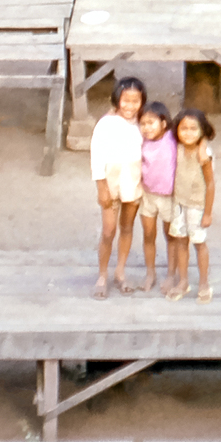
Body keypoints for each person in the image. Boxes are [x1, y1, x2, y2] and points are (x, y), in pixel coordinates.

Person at [89, 77, 145, 299]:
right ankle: (102, 275)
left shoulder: (143, 122)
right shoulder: (106, 123)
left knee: (127, 228)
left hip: (134, 182)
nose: (130, 106)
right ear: (117, 99)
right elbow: (97, 157)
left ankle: (120, 272)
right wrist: (101, 187)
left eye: (135, 101)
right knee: (108, 231)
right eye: (126, 100)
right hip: (111, 183)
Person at [167, 109, 216, 303]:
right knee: (180, 241)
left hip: (197, 205)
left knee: (199, 243)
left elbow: (211, 183)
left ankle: (204, 283)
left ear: (202, 131)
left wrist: (208, 213)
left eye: (193, 129)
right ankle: (183, 281)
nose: (188, 133)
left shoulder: (204, 154)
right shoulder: (176, 147)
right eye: (183, 128)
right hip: (179, 203)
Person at [138, 101, 178, 294]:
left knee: (171, 237)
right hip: (147, 195)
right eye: (143, 123)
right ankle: (150, 273)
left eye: (151, 123)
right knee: (148, 235)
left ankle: (171, 274)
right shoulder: (142, 141)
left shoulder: (172, 139)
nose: (146, 128)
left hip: (169, 197)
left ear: (164, 123)